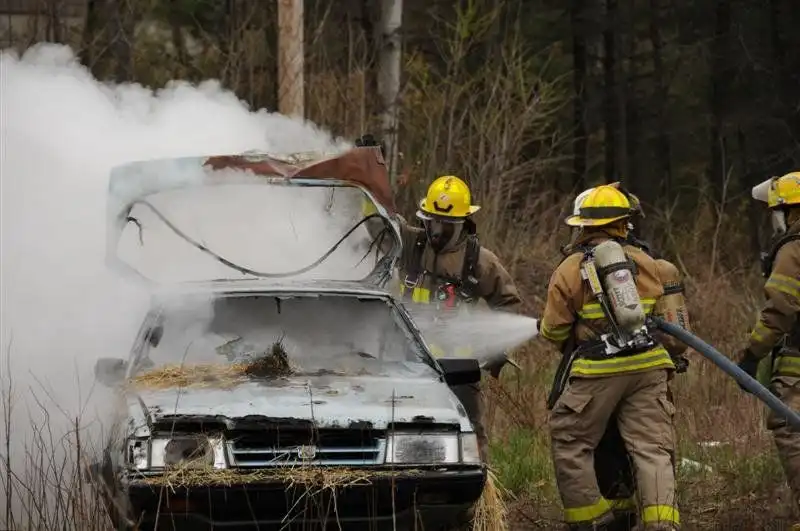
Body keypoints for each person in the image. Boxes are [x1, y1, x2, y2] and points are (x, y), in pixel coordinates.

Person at [540, 184, 682, 531]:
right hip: (649, 366)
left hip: (598, 370)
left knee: (571, 441)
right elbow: (662, 318)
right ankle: (662, 524)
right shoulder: (647, 263)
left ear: (583, 226)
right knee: (652, 450)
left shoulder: (570, 268)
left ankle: (594, 521)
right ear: (623, 223)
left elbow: (554, 332)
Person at [736, 171, 800, 521]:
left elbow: (780, 309)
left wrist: (751, 355)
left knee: (790, 427)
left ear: (790, 211)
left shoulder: (793, 248)